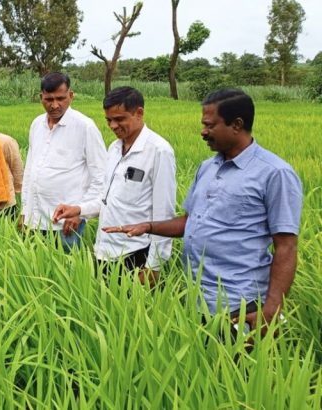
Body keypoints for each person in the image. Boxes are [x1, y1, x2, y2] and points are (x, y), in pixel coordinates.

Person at [105, 89, 302, 333]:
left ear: (237, 125)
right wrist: (149, 226)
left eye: (210, 125)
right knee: (201, 366)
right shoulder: (208, 167)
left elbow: (286, 246)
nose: (203, 132)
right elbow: (191, 222)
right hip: (196, 296)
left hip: (242, 302)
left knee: (237, 369)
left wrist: (271, 310)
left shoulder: (274, 173)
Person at [54, 87, 176, 285]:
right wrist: (78, 209)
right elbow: (107, 199)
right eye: (109, 120)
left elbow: (164, 213)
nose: (113, 125)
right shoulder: (114, 148)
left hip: (135, 254)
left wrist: (154, 265)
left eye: (119, 119)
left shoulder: (159, 151)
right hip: (104, 250)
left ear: (139, 113)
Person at [21, 72, 107, 252]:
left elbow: (101, 177)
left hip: (67, 222)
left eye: (61, 98)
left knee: (66, 272)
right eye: (48, 99)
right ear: (40, 97)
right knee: (35, 270)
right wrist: (25, 210)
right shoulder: (37, 124)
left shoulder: (85, 127)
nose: (54, 105)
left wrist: (81, 212)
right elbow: (30, 170)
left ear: (71, 95)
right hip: (35, 218)